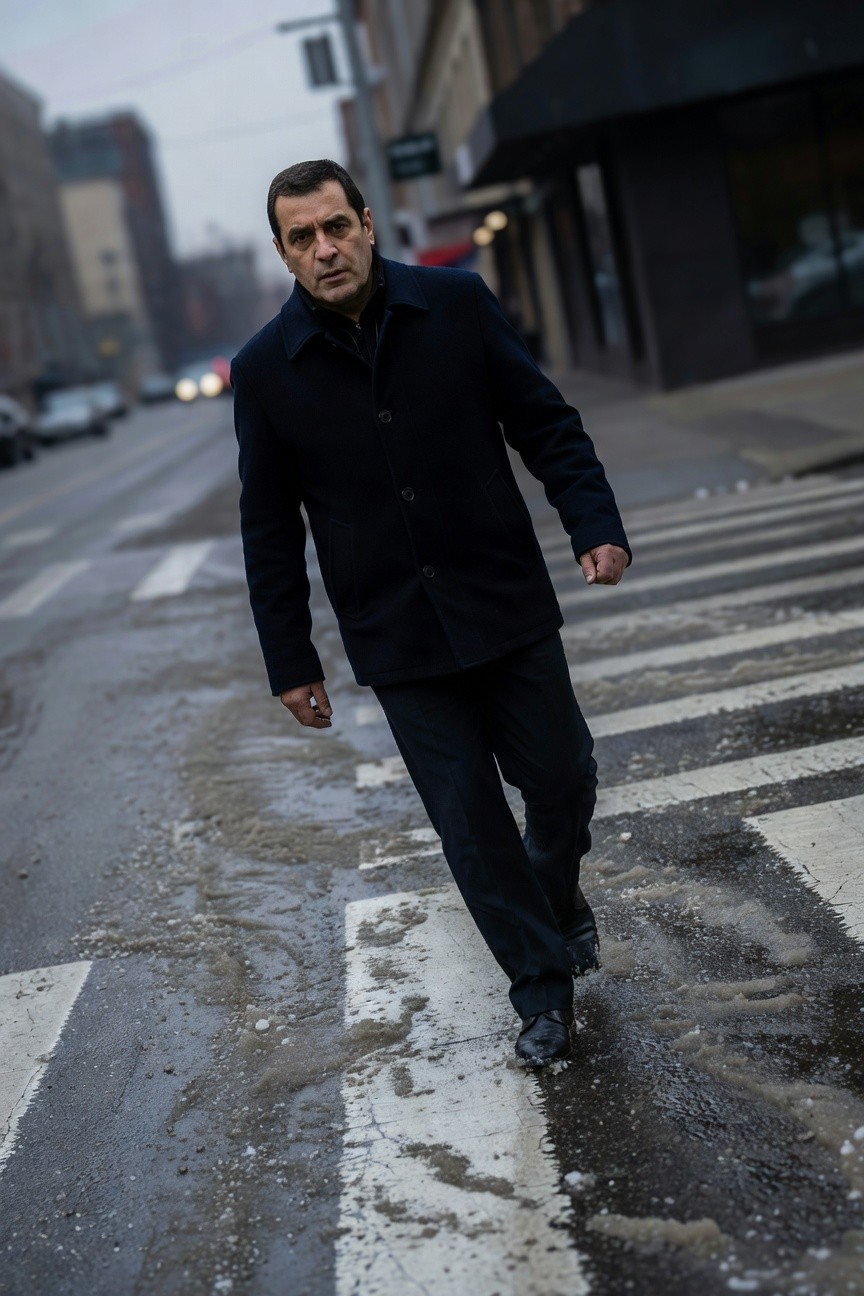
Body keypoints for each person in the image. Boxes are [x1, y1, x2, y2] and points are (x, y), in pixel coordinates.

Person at [232, 159, 630, 1067]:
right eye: (303, 237)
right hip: (398, 635)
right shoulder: (263, 370)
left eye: (336, 226)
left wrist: (594, 524)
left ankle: (555, 899)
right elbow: (267, 529)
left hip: (503, 600)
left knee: (563, 776)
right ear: (284, 254)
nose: (325, 249)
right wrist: (291, 661)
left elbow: (546, 424)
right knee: (469, 826)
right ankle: (539, 992)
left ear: (368, 225)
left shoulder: (455, 304)